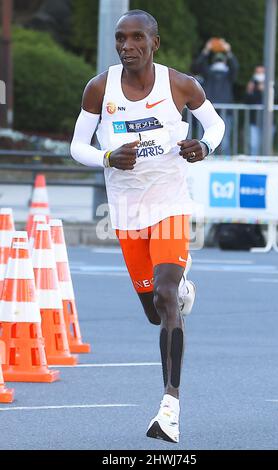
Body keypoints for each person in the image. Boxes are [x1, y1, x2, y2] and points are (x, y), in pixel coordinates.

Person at [70, 9, 224, 443]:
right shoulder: (100, 88)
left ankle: (170, 407)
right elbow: (77, 144)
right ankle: (184, 291)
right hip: (125, 212)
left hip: (170, 204)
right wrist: (106, 157)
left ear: (154, 43)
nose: (127, 46)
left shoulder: (180, 84)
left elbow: (214, 125)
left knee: (165, 293)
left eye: (137, 38)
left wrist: (204, 145)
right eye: (120, 39)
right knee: (154, 310)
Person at [192, 38, 238, 156]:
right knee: (206, 139)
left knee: (224, 140)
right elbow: (197, 66)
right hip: (209, 111)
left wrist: (228, 52)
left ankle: (223, 163)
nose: (219, 62)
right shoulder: (209, 74)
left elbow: (235, 67)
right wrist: (206, 50)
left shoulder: (228, 75)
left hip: (225, 111)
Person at [245, 66, 265, 156]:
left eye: (261, 72)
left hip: (268, 121)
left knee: (265, 145)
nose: (259, 74)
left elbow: (276, 98)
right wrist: (249, 91)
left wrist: (264, 91)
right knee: (254, 144)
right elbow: (247, 101)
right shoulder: (252, 83)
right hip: (254, 120)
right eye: (258, 72)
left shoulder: (271, 83)